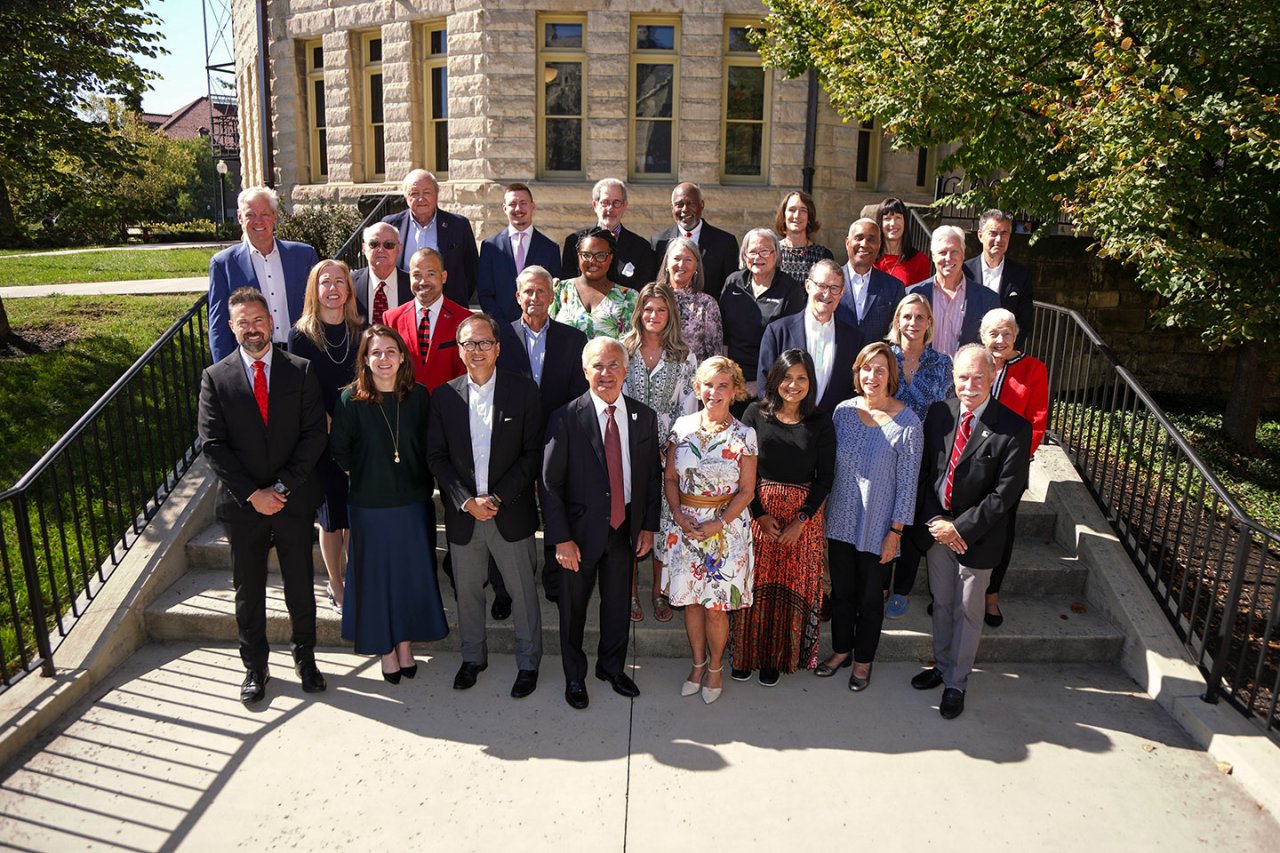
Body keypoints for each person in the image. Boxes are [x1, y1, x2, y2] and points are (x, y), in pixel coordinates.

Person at [197, 287, 328, 703]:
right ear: (231, 327)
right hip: (244, 506)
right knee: (248, 589)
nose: (252, 329)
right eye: (243, 322)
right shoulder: (215, 378)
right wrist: (254, 494)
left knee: (300, 584)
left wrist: (282, 487)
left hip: (293, 500)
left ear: (271, 322)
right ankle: (255, 666)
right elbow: (212, 444)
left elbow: (313, 435)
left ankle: (306, 657)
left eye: (258, 320)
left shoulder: (300, 370)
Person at [910, 344, 1031, 719]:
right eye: (963, 377)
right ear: (953, 377)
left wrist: (958, 528)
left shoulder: (1014, 427)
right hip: (937, 531)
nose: (970, 385)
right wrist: (936, 522)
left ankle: (956, 683)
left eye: (979, 377)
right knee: (942, 603)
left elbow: (1005, 495)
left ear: (993, 376)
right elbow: (925, 474)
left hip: (977, 537)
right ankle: (942, 665)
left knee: (967, 610)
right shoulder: (939, 414)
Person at [427, 314, 544, 698]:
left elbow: (532, 454)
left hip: (509, 511)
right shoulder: (444, 396)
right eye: (468, 344)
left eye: (484, 343)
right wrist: (465, 500)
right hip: (465, 515)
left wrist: (496, 498)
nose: (476, 350)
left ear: (498, 348)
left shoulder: (523, 391)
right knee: (468, 593)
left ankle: (528, 663)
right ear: (459, 350)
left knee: (522, 594)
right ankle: (472, 658)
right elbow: (436, 456)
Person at [542, 337, 662, 710]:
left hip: (624, 531)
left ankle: (611, 668)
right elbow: (549, 484)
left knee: (617, 607)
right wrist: (561, 539)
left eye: (613, 365)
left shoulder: (644, 417)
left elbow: (651, 477)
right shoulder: (565, 417)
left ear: (626, 370)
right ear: (585, 371)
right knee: (573, 609)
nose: (606, 373)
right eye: (598, 365)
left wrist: (648, 526)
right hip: (578, 536)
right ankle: (574, 676)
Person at [329, 325, 449, 683]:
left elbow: (430, 445)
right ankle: (386, 649)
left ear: (402, 357)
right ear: (365, 359)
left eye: (390, 351)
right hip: (370, 507)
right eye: (376, 352)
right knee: (378, 580)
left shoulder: (419, 396)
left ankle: (405, 644)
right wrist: (369, 474)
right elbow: (340, 451)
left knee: (409, 578)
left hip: (413, 503)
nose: (384, 358)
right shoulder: (350, 400)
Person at [818, 342, 921, 691]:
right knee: (842, 593)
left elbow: (908, 485)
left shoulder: (908, 422)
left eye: (880, 369)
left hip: (879, 528)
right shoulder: (843, 413)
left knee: (869, 598)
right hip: (840, 522)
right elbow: (829, 468)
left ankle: (863, 660)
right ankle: (841, 651)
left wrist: (896, 532)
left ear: (891, 376)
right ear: (857, 373)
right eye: (866, 368)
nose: (872, 376)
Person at [732, 349, 835, 684]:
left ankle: (775, 658)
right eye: (787, 377)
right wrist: (759, 514)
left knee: (788, 588)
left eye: (801, 378)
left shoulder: (820, 421)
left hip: (802, 520)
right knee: (753, 585)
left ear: (811, 382)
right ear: (775, 379)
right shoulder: (754, 414)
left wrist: (801, 521)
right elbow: (742, 469)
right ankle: (745, 653)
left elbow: (825, 478)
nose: (793, 385)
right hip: (757, 511)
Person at [662, 356, 758, 703]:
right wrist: (678, 513)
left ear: (735, 391)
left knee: (716, 608)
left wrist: (719, 522)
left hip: (726, 531)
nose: (714, 392)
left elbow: (747, 491)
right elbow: (670, 479)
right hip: (685, 528)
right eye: (708, 384)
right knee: (691, 604)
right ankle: (697, 664)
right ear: (697, 387)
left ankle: (715, 667)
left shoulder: (745, 435)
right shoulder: (681, 427)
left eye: (722, 386)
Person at [496, 266, 589, 603]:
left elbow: (579, 396)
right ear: (517, 296)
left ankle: (554, 580)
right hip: (511, 440)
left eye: (541, 291)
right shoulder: (500, 337)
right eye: (528, 291)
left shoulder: (573, 339)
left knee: (556, 507)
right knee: (507, 510)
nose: (534, 297)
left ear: (551, 297)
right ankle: (504, 589)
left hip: (557, 438)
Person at [288, 259, 364, 615]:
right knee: (332, 516)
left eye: (340, 281)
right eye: (325, 282)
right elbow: (299, 389)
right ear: (314, 290)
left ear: (349, 289)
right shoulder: (301, 336)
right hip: (323, 436)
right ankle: (336, 583)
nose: (333, 288)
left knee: (354, 512)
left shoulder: (362, 330)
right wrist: (327, 422)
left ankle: (357, 578)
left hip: (359, 435)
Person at [621, 283, 699, 623]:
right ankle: (630, 592)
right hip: (627, 447)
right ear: (640, 312)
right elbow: (616, 396)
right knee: (630, 520)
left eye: (661, 310)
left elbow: (689, 406)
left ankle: (658, 591)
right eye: (648, 309)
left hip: (670, 452)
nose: (653, 315)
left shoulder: (684, 356)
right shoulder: (623, 350)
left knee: (663, 521)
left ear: (671, 315)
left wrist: (670, 444)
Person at [883, 293, 954, 619]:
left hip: (927, 455)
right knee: (885, 519)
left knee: (912, 525)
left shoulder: (943, 364)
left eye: (920, 317)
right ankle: (881, 584)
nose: (913, 323)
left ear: (929, 323)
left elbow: (951, 409)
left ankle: (902, 589)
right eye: (907, 316)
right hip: (886, 452)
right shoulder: (883, 356)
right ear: (897, 321)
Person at [979, 308, 1049, 627]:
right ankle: (956, 591)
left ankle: (991, 595)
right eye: (993, 333)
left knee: (1002, 530)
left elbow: (1037, 420)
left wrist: (1016, 459)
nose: (1000, 340)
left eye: (1006, 333)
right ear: (983, 336)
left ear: (1016, 335)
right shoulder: (975, 362)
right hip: (972, 461)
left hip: (1011, 465)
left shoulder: (1033, 369)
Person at [208, 186, 319, 361]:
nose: (258, 221)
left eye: (265, 214)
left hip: (301, 356)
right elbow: (218, 326)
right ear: (240, 217)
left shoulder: (304, 256)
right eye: (250, 215)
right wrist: (225, 370)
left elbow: (319, 309)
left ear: (275, 216)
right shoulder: (223, 264)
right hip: (252, 360)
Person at [757, 259, 863, 413]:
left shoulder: (854, 339)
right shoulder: (778, 332)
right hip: (784, 424)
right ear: (808, 285)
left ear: (841, 293)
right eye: (821, 286)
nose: (827, 294)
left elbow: (853, 390)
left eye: (834, 288)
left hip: (832, 426)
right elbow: (765, 386)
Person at [719, 228, 805, 393]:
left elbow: (791, 345)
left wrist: (762, 384)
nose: (758, 257)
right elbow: (723, 334)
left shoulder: (789, 289)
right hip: (732, 378)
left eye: (764, 251)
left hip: (770, 379)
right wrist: (728, 378)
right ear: (744, 255)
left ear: (776, 254)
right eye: (752, 252)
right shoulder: (733, 282)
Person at [383, 169, 479, 306]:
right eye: (414, 193)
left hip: (449, 308)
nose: (421, 199)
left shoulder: (458, 226)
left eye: (427, 192)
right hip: (403, 308)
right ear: (405, 196)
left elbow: (472, 271)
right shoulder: (391, 225)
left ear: (437, 194)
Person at [382, 247, 472, 391]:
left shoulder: (465, 320)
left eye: (431, 274)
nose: (423, 282)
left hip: (448, 401)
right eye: (417, 275)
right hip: (405, 401)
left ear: (443, 277)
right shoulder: (391, 319)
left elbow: (466, 372)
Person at [907, 225, 999, 357]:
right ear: (933, 256)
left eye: (954, 251)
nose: (948, 258)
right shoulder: (913, 294)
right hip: (921, 369)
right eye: (942, 252)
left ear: (963, 254)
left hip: (966, 370)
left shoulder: (987, 299)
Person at [477, 182, 562, 324]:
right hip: (502, 328)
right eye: (512, 204)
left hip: (538, 326)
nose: (518, 208)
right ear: (504, 208)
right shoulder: (490, 247)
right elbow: (485, 293)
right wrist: (502, 325)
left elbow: (554, 293)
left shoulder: (550, 248)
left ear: (532, 206)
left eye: (523, 203)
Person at [560, 178, 658, 289]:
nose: (610, 208)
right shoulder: (574, 242)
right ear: (595, 205)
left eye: (616, 203)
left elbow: (644, 292)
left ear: (625, 206)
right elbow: (568, 288)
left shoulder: (641, 248)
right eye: (605, 202)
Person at [650, 182, 740, 300]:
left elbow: (731, 288)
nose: (685, 209)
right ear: (672, 208)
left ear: (701, 205)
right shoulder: (659, 242)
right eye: (679, 205)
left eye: (691, 204)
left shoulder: (725, 242)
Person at [550, 227, 638, 340]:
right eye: (586, 255)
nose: (592, 261)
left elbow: (631, 343)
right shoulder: (560, 290)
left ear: (610, 258)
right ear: (578, 256)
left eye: (601, 255)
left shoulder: (628, 296)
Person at [965, 209, 1035, 349]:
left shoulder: (1021, 275)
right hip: (970, 352)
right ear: (980, 236)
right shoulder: (964, 271)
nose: (999, 239)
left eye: (1004, 233)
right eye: (993, 233)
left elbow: (1024, 320)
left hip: (1004, 352)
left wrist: (1006, 350)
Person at [653, 236, 724, 364]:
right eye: (677, 258)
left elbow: (715, 356)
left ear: (696, 266)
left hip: (694, 375)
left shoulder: (707, 304)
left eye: (688, 260)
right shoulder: (653, 298)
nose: (681, 265)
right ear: (667, 263)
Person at [837, 218, 905, 343]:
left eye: (871, 240)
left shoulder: (894, 288)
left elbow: (896, 336)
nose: (864, 244)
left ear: (879, 245)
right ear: (847, 243)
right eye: (859, 238)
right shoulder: (830, 282)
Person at [352, 222, 411, 326]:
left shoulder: (412, 286)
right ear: (364, 248)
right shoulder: (350, 283)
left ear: (399, 248)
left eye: (389, 245)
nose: (381, 250)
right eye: (374, 244)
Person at [775, 190, 834, 283]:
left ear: (809, 218)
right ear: (783, 216)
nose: (797, 215)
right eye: (792, 210)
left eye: (803, 210)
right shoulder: (772, 253)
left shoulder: (823, 256)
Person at [873, 197, 930, 287]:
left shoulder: (920, 261)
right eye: (887, 218)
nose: (893, 223)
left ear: (905, 222)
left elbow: (922, 295)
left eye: (898, 217)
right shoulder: (870, 258)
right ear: (880, 223)